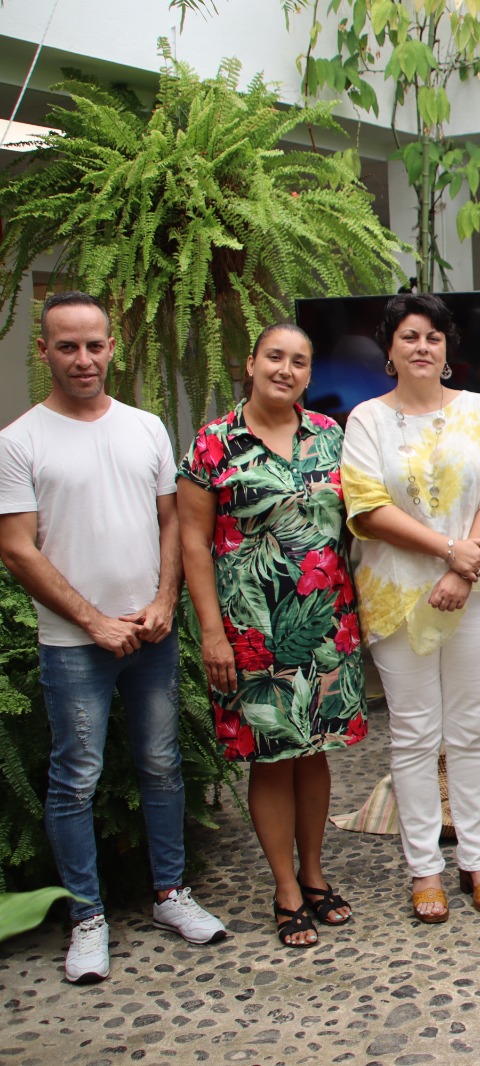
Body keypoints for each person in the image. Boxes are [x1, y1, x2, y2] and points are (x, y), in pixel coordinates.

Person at [0, 291, 226, 984]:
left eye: (94, 344)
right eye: (67, 346)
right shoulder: (19, 441)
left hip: (152, 632)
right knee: (75, 780)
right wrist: (93, 621)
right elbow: (17, 549)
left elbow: (172, 524)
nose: (83, 358)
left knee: (161, 765)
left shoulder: (145, 427)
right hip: (74, 645)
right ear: (44, 352)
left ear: (112, 347)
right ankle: (87, 918)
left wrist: (164, 601)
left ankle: (170, 894)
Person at [176, 323, 367, 947]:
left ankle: (315, 875)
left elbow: (356, 524)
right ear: (252, 363)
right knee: (269, 758)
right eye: (275, 357)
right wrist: (211, 631)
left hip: (324, 625)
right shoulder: (214, 443)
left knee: (313, 753)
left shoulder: (329, 437)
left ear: (310, 375)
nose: (286, 370)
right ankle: (285, 887)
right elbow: (194, 546)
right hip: (250, 629)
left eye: (300, 362)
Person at [340, 292, 480, 924]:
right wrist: (452, 553)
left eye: (434, 338)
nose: (423, 347)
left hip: (474, 591)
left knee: (470, 725)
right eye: (410, 337)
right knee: (417, 732)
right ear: (389, 349)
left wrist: (464, 569)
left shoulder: (479, 409)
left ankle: (478, 857)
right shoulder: (367, 418)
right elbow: (366, 506)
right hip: (398, 594)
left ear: (448, 350)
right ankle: (423, 866)